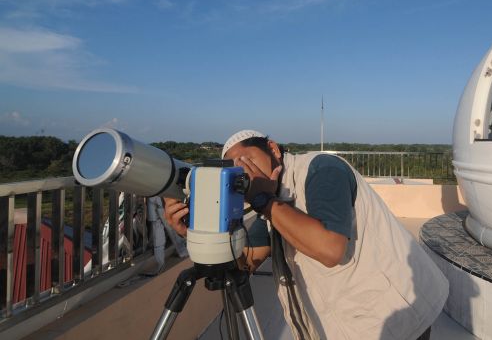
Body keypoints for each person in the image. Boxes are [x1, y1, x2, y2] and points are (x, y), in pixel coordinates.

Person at [164, 130, 449, 340]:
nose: (245, 171)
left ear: (273, 149)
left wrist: (264, 201)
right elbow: (246, 265)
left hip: (395, 318)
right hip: (344, 326)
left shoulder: (321, 169)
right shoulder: (272, 198)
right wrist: (196, 234)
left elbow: (330, 249)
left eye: (247, 159)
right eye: (236, 168)